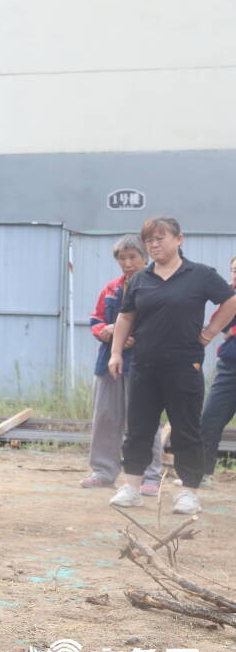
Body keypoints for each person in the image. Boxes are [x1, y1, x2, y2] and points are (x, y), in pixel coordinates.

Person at [108, 218, 236, 516]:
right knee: (138, 427)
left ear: (179, 239)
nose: (154, 245)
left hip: (184, 365)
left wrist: (209, 332)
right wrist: (116, 353)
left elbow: (230, 301)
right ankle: (132, 487)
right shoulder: (141, 278)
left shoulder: (201, 275)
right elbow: (126, 317)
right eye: (149, 240)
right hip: (144, 365)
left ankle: (189, 492)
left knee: (186, 429)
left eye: (160, 238)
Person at [81, 235, 164, 496]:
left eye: (133, 257)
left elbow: (163, 322)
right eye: (122, 258)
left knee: (144, 419)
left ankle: (150, 476)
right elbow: (95, 318)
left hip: (143, 361)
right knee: (105, 416)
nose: (127, 263)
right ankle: (103, 472)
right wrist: (104, 330)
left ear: (145, 257)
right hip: (108, 361)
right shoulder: (111, 288)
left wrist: (133, 336)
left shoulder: (156, 286)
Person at [197, 254, 236, 489]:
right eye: (233, 269)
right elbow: (219, 325)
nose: (235, 274)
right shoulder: (229, 297)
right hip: (229, 368)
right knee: (210, 419)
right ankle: (202, 474)